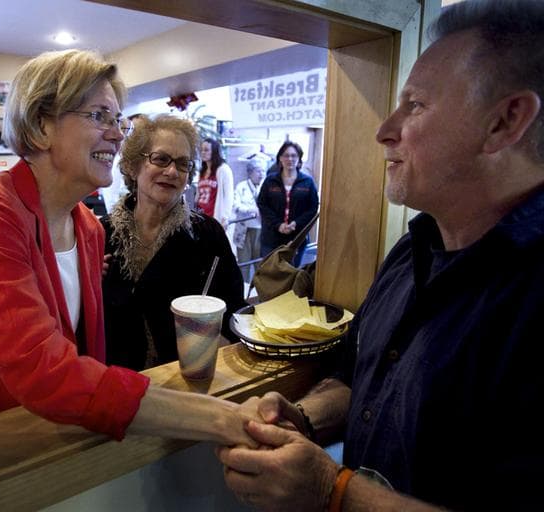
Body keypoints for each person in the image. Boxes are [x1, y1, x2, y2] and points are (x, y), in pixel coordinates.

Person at [217, 0, 544, 510]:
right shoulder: (413, 249)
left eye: (415, 105)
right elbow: (361, 379)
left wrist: (333, 492)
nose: (383, 129)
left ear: (505, 121)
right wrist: (305, 417)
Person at [0, 50, 260, 447]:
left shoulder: (88, 228)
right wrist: (222, 420)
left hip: (56, 441)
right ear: (41, 125)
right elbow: (44, 369)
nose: (116, 134)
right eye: (99, 116)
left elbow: (88, 361)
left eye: (117, 121)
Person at [100, 115, 246, 371]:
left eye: (183, 164)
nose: (171, 171)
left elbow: (235, 312)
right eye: (160, 159)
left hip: (184, 379)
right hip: (115, 382)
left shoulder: (206, 234)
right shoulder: (101, 233)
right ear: (134, 166)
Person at [257, 141, 319, 267]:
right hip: (271, 238)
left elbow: (313, 208)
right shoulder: (270, 181)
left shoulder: (307, 182)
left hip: (296, 239)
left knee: (290, 275)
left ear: (299, 158)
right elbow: (262, 204)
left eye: (294, 155)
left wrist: (296, 223)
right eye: (286, 155)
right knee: (270, 274)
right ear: (280, 158)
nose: (290, 159)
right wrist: (278, 225)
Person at [232, 158, 266, 282]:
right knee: (244, 263)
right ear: (250, 172)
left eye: (263, 171)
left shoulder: (266, 187)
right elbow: (235, 206)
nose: (261, 174)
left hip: (261, 230)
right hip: (243, 230)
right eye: (258, 171)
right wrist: (250, 209)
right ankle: (243, 293)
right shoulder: (241, 187)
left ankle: (258, 293)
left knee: (260, 264)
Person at [196, 138, 234, 241]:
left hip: (215, 216)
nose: (203, 152)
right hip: (201, 216)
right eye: (202, 150)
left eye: (206, 150)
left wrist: (225, 217)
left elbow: (229, 195)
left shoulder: (223, 169)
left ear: (215, 151)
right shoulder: (202, 171)